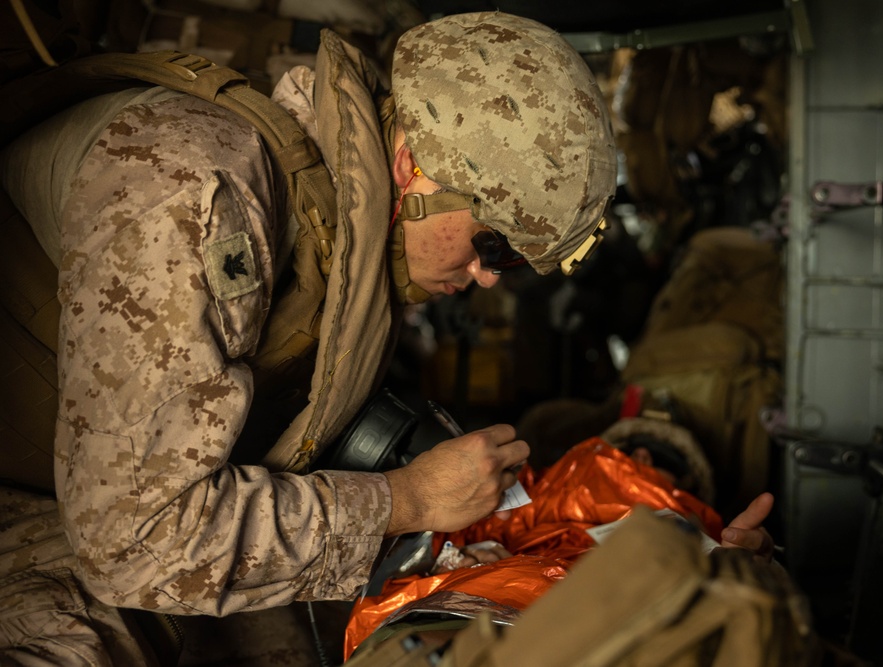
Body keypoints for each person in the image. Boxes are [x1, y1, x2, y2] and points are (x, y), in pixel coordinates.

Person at [0, 10, 616, 665]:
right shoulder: (197, 193)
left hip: (83, 498)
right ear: (412, 167)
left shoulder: (340, 237)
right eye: (492, 243)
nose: (488, 275)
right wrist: (407, 499)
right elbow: (132, 543)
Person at [343, 417, 778, 661]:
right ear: (640, 457)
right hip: (486, 623)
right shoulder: (572, 482)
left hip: (454, 623)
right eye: (676, 479)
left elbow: (413, 551)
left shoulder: (524, 491)